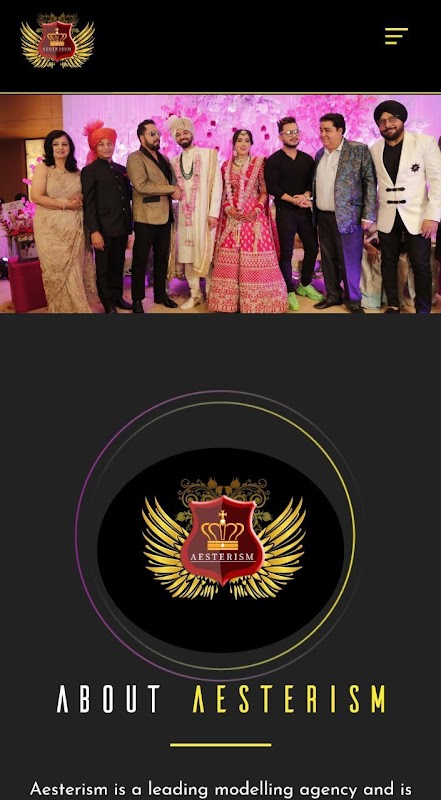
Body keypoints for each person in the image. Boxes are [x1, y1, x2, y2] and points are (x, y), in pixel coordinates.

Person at [370, 102, 441, 313]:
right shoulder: (374, 149)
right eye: (382, 121)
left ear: (402, 119)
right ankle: (393, 304)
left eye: (392, 119)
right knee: (388, 262)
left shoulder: (424, 143)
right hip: (387, 215)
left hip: (418, 216)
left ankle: (423, 308)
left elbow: (437, 181)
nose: (388, 124)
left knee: (420, 264)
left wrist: (433, 216)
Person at [208, 129, 287, 313]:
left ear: (251, 144)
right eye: (239, 140)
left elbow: (264, 191)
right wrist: (228, 209)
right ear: (234, 144)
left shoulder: (259, 163)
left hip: (254, 219)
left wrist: (256, 210)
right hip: (233, 217)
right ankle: (228, 303)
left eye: (246, 140)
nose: (243, 144)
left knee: (255, 253)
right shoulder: (226, 166)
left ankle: (259, 303)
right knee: (229, 256)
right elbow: (225, 194)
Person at [312, 113, 377, 313]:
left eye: (327, 130)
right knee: (328, 259)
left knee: (349, 260)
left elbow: (370, 182)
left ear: (340, 130)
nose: (323, 134)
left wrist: (368, 214)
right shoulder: (320, 154)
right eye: (321, 130)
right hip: (323, 216)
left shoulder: (358, 150)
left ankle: (353, 300)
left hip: (349, 217)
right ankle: (333, 295)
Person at [31, 129, 97, 313]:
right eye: (56, 144)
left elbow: (82, 193)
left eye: (64, 144)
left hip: (75, 227)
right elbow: (36, 196)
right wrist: (65, 205)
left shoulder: (77, 172)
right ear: (49, 147)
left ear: (70, 148)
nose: (60, 148)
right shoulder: (44, 168)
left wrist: (79, 197)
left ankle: (78, 307)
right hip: (50, 229)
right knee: (55, 268)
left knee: (75, 267)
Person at [264, 116, 324, 311]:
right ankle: (288, 290)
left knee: (312, 248)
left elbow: (311, 184)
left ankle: (304, 284)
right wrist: (293, 199)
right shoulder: (273, 160)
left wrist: (305, 196)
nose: (293, 135)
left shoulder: (307, 159)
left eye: (296, 131)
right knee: (286, 253)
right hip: (285, 212)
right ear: (280, 136)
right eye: (289, 132)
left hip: (305, 211)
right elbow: (273, 187)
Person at [167, 115, 223, 309]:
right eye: (178, 134)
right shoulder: (173, 161)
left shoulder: (209, 155)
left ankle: (212, 294)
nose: (182, 136)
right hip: (184, 216)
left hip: (205, 214)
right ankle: (195, 294)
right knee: (188, 255)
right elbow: (173, 188)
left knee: (207, 253)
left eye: (185, 132)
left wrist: (214, 213)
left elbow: (217, 185)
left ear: (192, 133)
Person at [126, 119, 180, 313]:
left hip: (165, 215)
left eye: (157, 133)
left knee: (161, 258)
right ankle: (137, 300)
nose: (157, 137)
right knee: (140, 260)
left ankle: (160, 294)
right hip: (145, 217)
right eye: (152, 134)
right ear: (142, 138)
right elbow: (141, 185)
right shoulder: (135, 158)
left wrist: (177, 189)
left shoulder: (163, 158)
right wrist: (171, 189)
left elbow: (172, 181)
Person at [81, 120, 133, 314]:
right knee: (103, 268)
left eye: (109, 143)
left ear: (114, 145)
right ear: (95, 147)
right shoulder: (89, 171)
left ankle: (117, 297)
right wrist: (94, 231)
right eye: (101, 144)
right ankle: (107, 302)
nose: (106, 147)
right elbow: (89, 203)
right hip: (103, 228)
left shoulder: (121, 169)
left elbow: (126, 198)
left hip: (121, 226)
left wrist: (130, 227)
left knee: (118, 264)